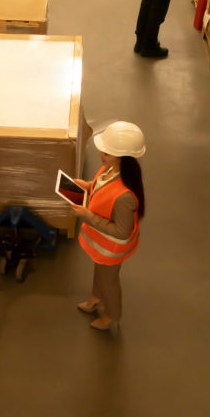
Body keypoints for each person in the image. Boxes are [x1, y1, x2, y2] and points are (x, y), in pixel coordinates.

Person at [67, 121, 147, 331]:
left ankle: (112, 315)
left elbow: (121, 232)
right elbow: (102, 188)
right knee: (99, 272)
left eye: (107, 153)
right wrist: (86, 186)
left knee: (109, 282)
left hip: (111, 249)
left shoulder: (125, 197)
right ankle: (95, 297)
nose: (101, 155)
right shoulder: (110, 169)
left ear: (123, 158)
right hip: (101, 247)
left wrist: (88, 216)